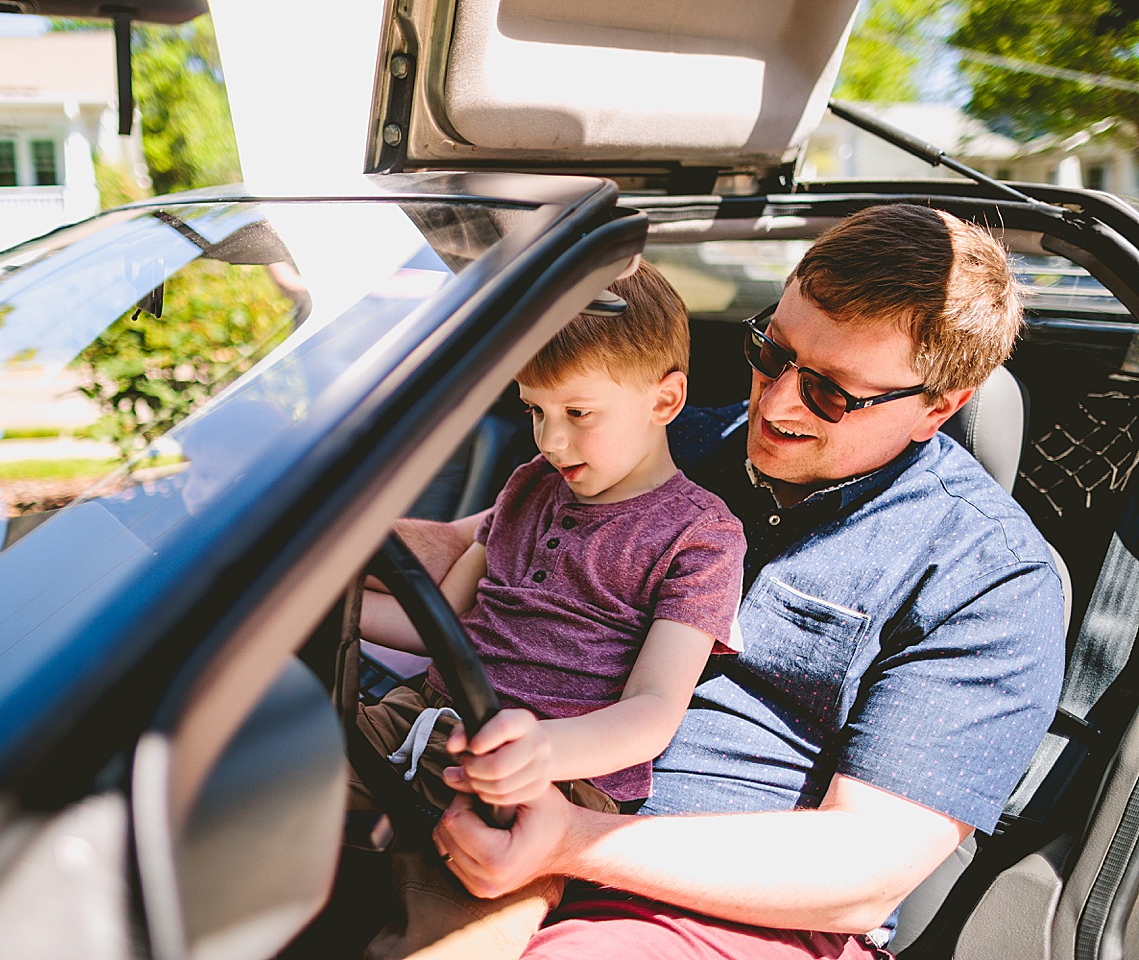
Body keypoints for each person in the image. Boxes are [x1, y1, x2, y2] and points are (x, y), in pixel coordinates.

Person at [416, 204, 1066, 959]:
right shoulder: (679, 441)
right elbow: (470, 552)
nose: (778, 400)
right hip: (491, 786)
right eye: (771, 350)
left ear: (940, 408)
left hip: (720, 917)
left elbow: (869, 869)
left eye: (833, 392)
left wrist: (574, 843)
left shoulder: (990, 579)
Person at [353, 259, 747, 959]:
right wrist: (326, 613)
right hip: (418, 720)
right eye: (535, 410)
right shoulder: (531, 485)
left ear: (665, 400)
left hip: (552, 787)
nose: (549, 439)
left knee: (450, 943)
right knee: (244, 787)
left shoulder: (701, 538)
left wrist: (542, 750)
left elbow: (653, 712)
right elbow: (441, 627)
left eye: (577, 414)